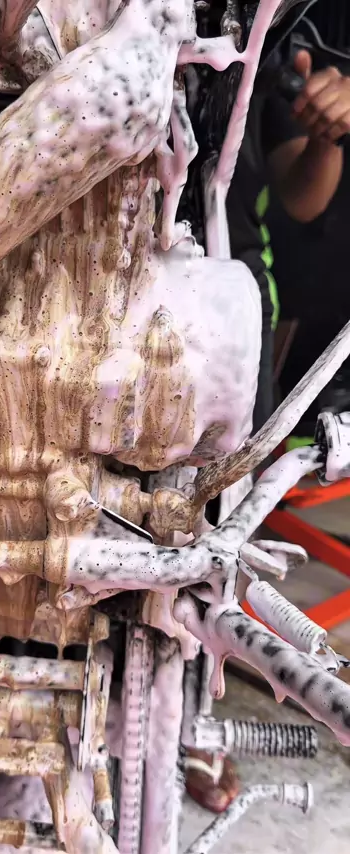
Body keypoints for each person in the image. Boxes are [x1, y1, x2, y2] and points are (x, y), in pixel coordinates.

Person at [185, 47, 350, 814]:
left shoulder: (249, 27)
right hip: (69, 270)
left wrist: (325, 135)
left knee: (208, 536)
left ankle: (191, 717)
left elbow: (299, 197)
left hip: (226, 293)